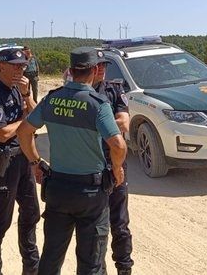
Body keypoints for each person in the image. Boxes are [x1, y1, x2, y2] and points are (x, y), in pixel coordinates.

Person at [17, 47, 127, 275]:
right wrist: (116, 169)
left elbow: (23, 132)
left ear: (71, 70)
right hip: (90, 194)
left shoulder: (52, 99)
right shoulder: (97, 104)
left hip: (58, 190)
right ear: (95, 69)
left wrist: (35, 162)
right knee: (90, 264)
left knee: (51, 258)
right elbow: (118, 145)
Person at [0, 47, 40, 275]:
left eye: (22, 66)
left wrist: (27, 96)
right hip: (4, 164)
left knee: (31, 214)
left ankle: (31, 269)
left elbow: (37, 117)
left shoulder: (18, 90)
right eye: (14, 65)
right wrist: (25, 121)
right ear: (1, 65)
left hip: (23, 159)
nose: (19, 70)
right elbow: (2, 133)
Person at [93, 52, 134, 275]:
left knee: (120, 223)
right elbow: (115, 124)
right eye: (97, 65)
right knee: (96, 226)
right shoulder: (82, 94)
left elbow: (124, 124)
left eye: (104, 65)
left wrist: (93, 127)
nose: (101, 68)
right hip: (91, 165)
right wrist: (108, 127)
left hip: (115, 162)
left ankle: (124, 268)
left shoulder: (115, 89)